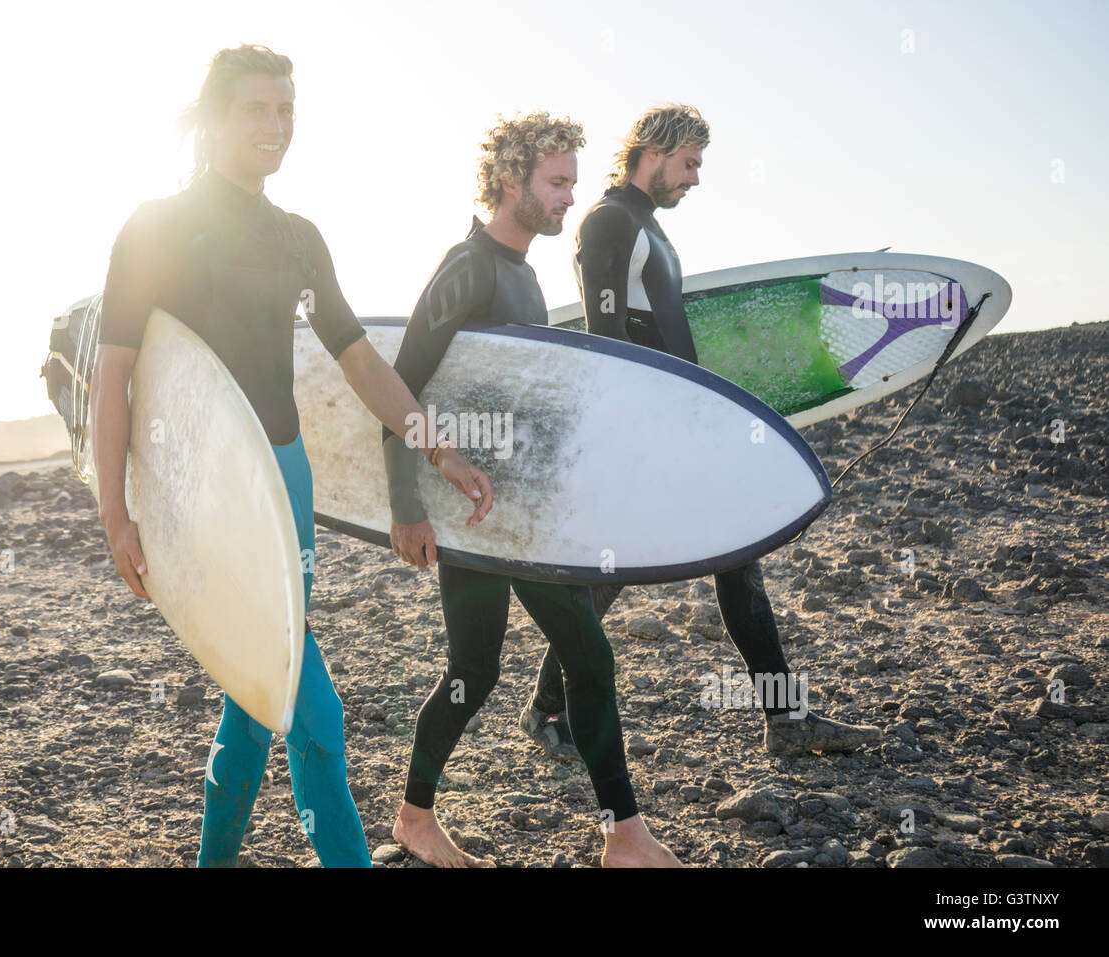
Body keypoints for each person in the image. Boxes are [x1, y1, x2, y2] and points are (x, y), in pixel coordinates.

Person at [91, 44, 493, 868]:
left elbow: (360, 362)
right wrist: (115, 509)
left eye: (287, 112)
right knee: (310, 710)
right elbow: (115, 373)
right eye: (256, 110)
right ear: (213, 118)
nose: (276, 127)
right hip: (199, 487)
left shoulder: (298, 238)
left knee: (255, 687)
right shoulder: (155, 228)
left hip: (282, 477)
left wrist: (438, 448)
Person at [520, 104, 883, 759]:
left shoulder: (649, 230)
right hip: (645, 428)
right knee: (613, 571)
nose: (694, 178)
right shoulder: (608, 222)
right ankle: (546, 709)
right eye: (689, 163)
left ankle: (784, 719)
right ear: (653, 151)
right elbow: (609, 341)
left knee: (728, 560)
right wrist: (645, 432)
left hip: (678, 424)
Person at [385, 112, 682, 868]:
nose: (567, 199)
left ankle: (422, 816)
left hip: (517, 513)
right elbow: (399, 393)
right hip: (474, 515)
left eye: (573, 184)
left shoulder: (523, 273)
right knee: (565, 657)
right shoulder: (469, 267)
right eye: (556, 183)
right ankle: (623, 833)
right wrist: (408, 505)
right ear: (511, 181)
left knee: (486, 669)